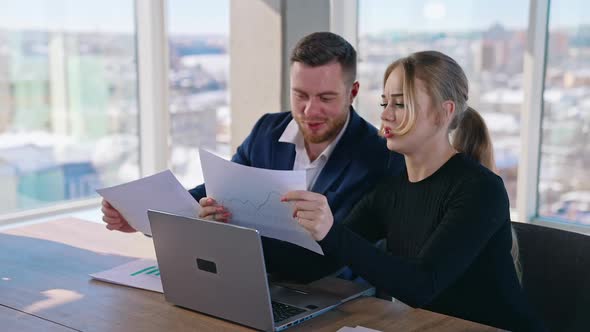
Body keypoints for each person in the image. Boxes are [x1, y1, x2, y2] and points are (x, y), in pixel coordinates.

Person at [101, 32, 404, 281]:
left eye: (325, 98)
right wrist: (141, 217)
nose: (310, 111)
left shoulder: (381, 156)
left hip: (336, 296)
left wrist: (226, 237)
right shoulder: (267, 131)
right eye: (300, 95)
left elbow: (336, 256)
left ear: (352, 93)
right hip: (255, 280)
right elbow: (213, 193)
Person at [282, 50, 546, 331]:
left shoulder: (480, 190)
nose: (385, 115)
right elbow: (318, 265)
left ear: (444, 113)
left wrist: (332, 231)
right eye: (384, 103)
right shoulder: (389, 190)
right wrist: (243, 232)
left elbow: (421, 285)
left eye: (400, 104)